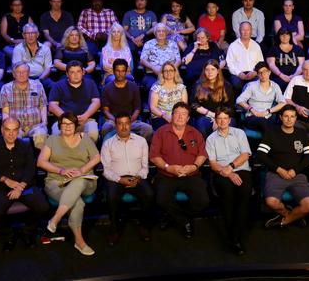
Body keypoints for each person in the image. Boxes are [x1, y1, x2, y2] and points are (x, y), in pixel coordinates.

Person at [37, 112, 100, 256]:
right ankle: (79, 241)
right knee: (77, 204)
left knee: (79, 179)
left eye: (70, 123)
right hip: (57, 181)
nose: (67, 127)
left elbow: (97, 157)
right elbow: (41, 162)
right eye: (64, 124)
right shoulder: (52, 139)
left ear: (76, 125)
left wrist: (81, 170)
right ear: (59, 125)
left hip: (85, 181)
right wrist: (61, 170)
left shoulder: (85, 139)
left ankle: (55, 219)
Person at [0, 117, 50, 252]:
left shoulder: (25, 145)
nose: (11, 134)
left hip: (25, 187)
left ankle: (28, 232)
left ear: (18, 131)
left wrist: (20, 186)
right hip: (3, 188)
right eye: (8, 130)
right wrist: (6, 180)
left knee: (43, 207)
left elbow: (31, 168)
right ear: (2, 130)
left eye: (14, 130)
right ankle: (8, 235)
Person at [149, 102, 210, 239]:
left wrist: (194, 166)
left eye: (184, 114)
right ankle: (185, 221)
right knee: (161, 200)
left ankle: (173, 216)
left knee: (203, 201)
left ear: (188, 118)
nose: (180, 117)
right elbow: (154, 156)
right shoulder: (161, 132)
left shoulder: (195, 133)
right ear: (172, 115)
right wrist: (168, 167)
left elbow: (202, 154)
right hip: (167, 175)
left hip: (191, 175)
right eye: (177, 113)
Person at [258, 105, 309, 228]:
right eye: (286, 116)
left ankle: (283, 221)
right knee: (271, 202)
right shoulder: (272, 133)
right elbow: (261, 155)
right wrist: (278, 169)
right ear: (281, 117)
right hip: (276, 174)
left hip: (297, 175)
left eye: (292, 116)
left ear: (296, 119)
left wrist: (296, 170)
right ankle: (291, 215)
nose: (289, 119)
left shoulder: (301, 133)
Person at [101, 112, 153, 245]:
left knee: (149, 194)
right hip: (116, 178)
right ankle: (114, 229)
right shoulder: (108, 144)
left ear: (131, 124)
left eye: (126, 123)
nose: (124, 127)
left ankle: (144, 226)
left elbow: (145, 166)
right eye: (120, 124)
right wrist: (119, 179)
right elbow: (106, 170)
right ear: (116, 126)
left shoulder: (141, 141)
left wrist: (138, 177)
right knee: (111, 197)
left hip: (137, 176)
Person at [206, 106, 252, 255]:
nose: (222, 121)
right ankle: (235, 238)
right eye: (219, 118)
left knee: (244, 193)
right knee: (228, 195)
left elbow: (245, 155)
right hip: (221, 172)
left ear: (230, 120)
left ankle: (234, 236)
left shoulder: (239, 133)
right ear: (216, 120)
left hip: (241, 169)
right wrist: (227, 173)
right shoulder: (211, 139)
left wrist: (231, 167)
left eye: (225, 118)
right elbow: (213, 164)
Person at [0, 62, 49, 149]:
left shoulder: (38, 85)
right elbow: (5, 112)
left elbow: (43, 106)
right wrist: (8, 127)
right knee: (13, 137)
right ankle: (16, 162)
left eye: (24, 72)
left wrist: (44, 122)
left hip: (35, 125)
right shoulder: (6, 88)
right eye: (18, 72)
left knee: (41, 134)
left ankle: (40, 161)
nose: (21, 74)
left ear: (28, 73)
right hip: (15, 126)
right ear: (14, 74)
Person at [101, 59, 153, 140]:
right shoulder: (106, 88)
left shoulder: (134, 87)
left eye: (122, 71)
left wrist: (129, 121)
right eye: (117, 71)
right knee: (105, 128)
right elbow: (105, 110)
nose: (120, 74)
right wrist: (116, 121)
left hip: (130, 120)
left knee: (148, 129)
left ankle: (138, 146)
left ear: (126, 72)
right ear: (113, 71)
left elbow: (137, 109)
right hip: (113, 121)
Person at [48, 61, 100, 142]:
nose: (76, 75)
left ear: (83, 72)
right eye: (72, 72)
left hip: (86, 119)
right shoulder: (58, 85)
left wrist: (86, 115)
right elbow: (52, 106)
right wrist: (68, 119)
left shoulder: (90, 83)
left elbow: (96, 102)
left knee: (93, 133)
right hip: (63, 121)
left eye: (78, 71)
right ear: (67, 74)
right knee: (56, 133)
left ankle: (87, 154)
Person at [236, 61, 286, 132]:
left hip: (267, 117)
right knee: (267, 124)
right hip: (252, 117)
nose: (263, 74)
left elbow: (283, 103)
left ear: (269, 72)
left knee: (271, 123)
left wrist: (268, 111)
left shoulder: (275, 86)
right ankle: (272, 141)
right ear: (257, 75)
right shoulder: (251, 86)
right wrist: (252, 110)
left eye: (265, 71)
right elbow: (239, 100)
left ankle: (267, 142)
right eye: (260, 72)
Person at [190, 60, 234, 138]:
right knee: (202, 124)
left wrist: (219, 118)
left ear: (218, 71)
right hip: (204, 116)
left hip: (223, 115)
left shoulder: (226, 85)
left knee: (229, 125)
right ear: (204, 71)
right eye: (207, 69)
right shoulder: (198, 85)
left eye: (213, 69)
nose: (210, 72)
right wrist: (212, 115)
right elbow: (194, 104)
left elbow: (229, 106)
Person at [11, 23, 53, 92]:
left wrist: (39, 80)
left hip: (41, 78)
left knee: (54, 86)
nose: (30, 36)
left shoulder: (45, 49)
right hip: (23, 78)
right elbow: (17, 69)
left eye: (33, 33)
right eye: (27, 33)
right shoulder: (18, 49)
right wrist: (27, 81)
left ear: (37, 35)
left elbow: (48, 68)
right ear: (23, 35)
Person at [140, 23, 181, 92]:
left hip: (171, 74)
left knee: (178, 87)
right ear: (155, 33)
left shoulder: (173, 44)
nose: (161, 33)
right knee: (155, 88)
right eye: (159, 31)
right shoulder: (148, 44)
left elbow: (178, 60)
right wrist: (153, 68)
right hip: (153, 74)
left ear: (167, 33)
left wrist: (171, 70)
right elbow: (142, 60)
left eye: (163, 31)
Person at [226, 21, 264, 93]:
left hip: (253, 74)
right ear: (239, 31)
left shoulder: (256, 45)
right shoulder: (233, 45)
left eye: (248, 30)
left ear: (251, 31)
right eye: (243, 30)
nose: (246, 32)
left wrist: (255, 72)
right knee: (237, 84)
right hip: (238, 75)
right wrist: (239, 73)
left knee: (259, 84)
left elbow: (261, 62)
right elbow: (229, 64)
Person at [149, 62, 188, 131]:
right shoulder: (156, 87)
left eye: (171, 70)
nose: (168, 72)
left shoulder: (181, 87)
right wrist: (164, 115)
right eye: (165, 71)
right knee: (167, 128)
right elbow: (153, 107)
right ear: (162, 73)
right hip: (160, 116)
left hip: (178, 115)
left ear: (175, 72)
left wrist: (176, 116)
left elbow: (184, 106)